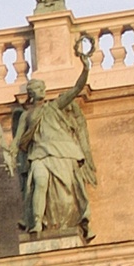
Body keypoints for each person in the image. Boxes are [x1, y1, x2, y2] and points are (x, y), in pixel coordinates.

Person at [13, 66, 95, 240]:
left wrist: (86, 69)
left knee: (66, 196)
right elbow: (17, 141)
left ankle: (63, 221)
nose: (42, 90)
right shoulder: (26, 115)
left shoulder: (54, 106)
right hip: (38, 154)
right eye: (38, 88)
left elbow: (76, 89)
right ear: (31, 93)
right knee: (40, 182)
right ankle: (36, 222)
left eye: (42, 87)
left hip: (61, 153)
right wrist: (10, 154)